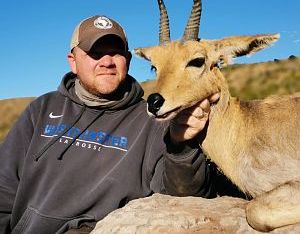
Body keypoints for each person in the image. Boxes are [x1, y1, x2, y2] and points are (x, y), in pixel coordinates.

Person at [0, 15, 219, 233]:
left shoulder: (153, 121)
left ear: (128, 61)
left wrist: (182, 148)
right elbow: (4, 184)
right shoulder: (41, 109)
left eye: (115, 53)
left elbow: (184, 197)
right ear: (73, 61)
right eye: (95, 53)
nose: (107, 61)